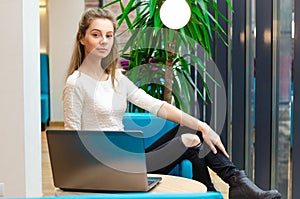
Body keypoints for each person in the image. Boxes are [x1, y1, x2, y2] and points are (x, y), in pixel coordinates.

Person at [63, 7, 281, 199]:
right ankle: (224, 188)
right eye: (96, 34)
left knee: (191, 131)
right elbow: (71, 140)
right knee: (191, 141)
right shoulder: (76, 83)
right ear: (82, 38)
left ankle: (229, 184)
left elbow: (158, 106)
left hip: (131, 158)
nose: (104, 41)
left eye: (109, 35)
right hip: (108, 168)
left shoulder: (116, 78)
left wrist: (204, 126)